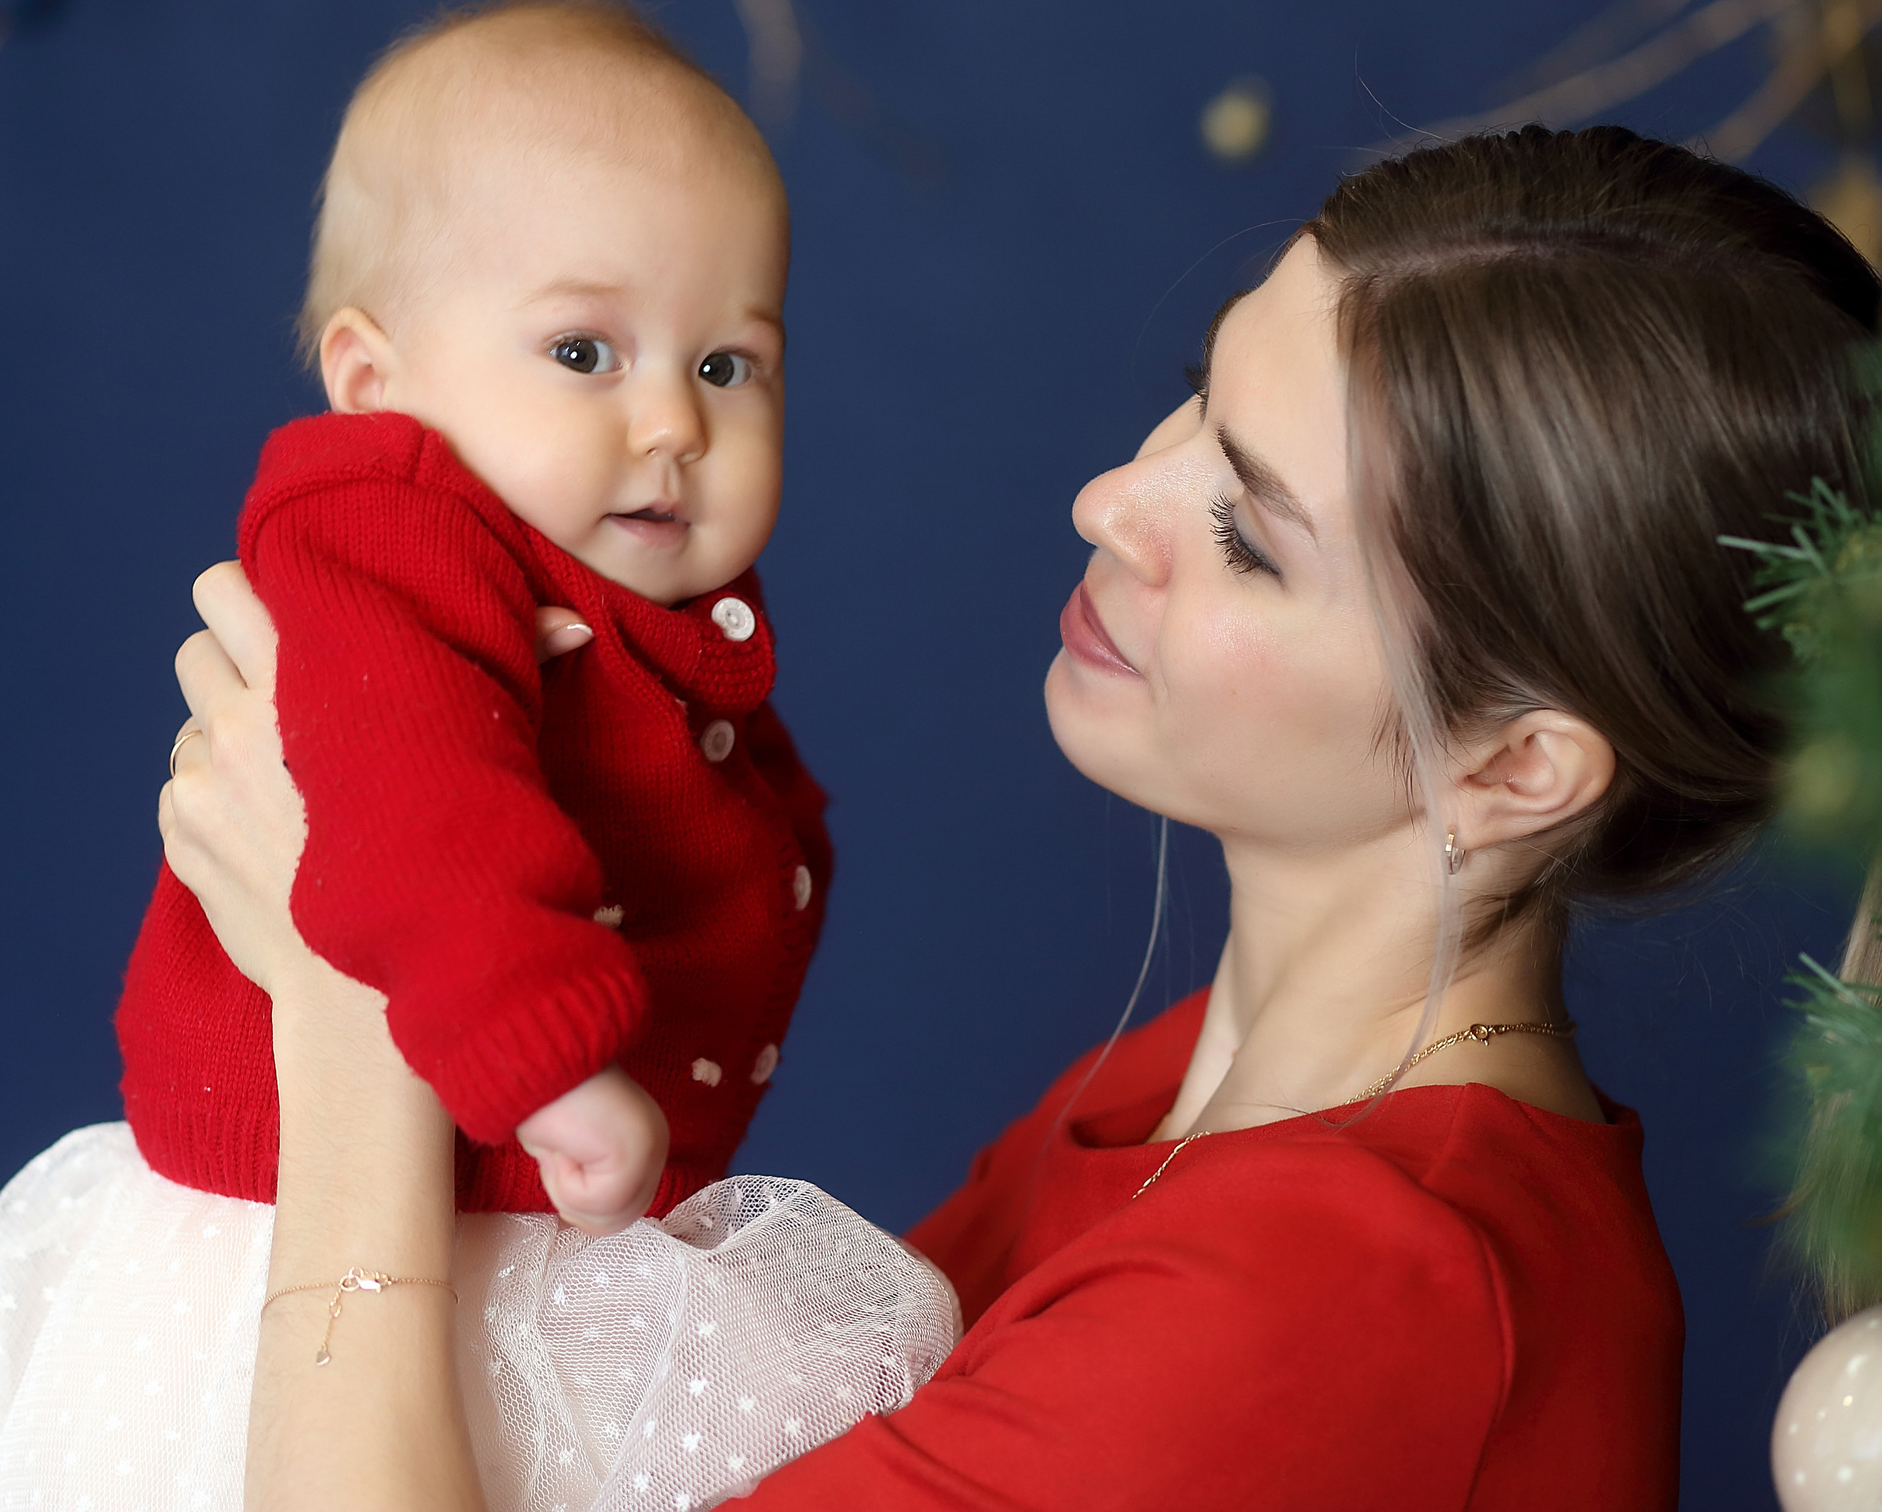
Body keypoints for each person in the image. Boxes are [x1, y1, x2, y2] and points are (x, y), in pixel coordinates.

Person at [157, 125, 1882, 1509]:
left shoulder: (1349, 1293)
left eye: (1251, 534)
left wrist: (358, 1009)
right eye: (1201, 400)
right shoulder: (1191, 1092)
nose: (1114, 498)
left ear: (1513, 766)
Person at [0, 0, 956, 1512]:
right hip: (316, 1225)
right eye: (585, 350)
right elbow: (418, 810)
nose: (672, 421)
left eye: (729, 365)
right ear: (374, 384)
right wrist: (550, 1060)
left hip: (515, 1229)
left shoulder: (633, 606)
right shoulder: (386, 535)